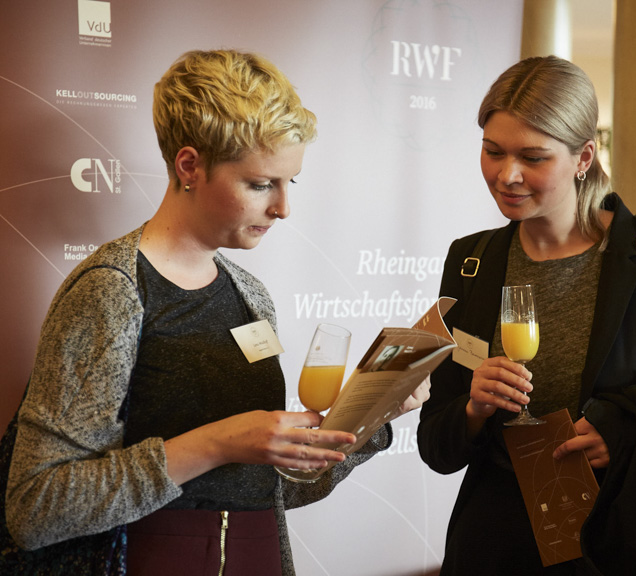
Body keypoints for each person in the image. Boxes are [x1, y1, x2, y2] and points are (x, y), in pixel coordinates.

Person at [5, 49, 429, 575]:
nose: (283, 208)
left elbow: (272, 491)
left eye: (290, 182)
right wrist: (217, 443)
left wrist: (370, 420)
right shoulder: (111, 291)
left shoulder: (251, 294)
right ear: (190, 166)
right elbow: (36, 508)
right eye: (260, 184)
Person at [417, 55, 636, 575]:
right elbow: (436, 447)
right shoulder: (470, 262)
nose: (506, 175)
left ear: (584, 156)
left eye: (533, 157)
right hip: (495, 546)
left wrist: (626, 435)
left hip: (627, 547)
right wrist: (473, 409)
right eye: (492, 151)